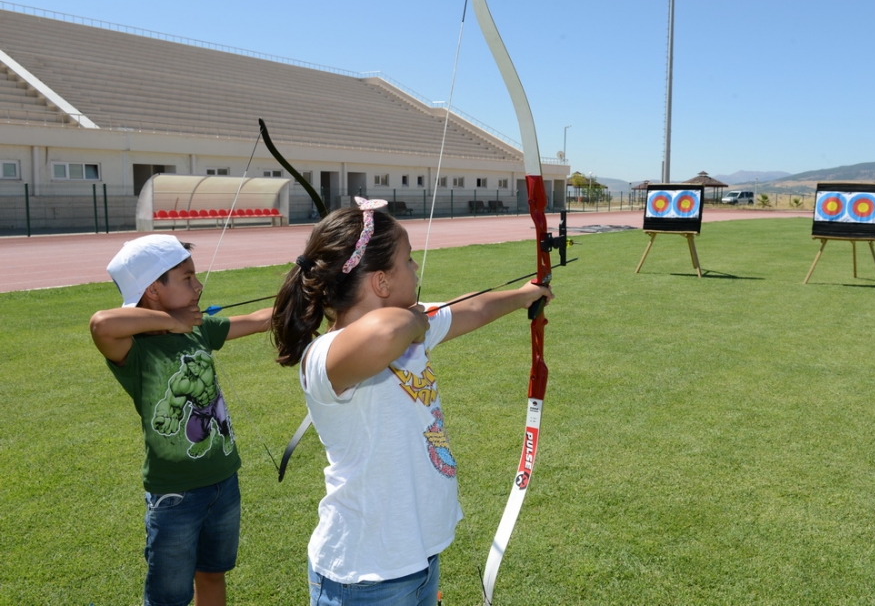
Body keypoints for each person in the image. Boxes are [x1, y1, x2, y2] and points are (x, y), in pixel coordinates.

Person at [271, 197, 553, 606]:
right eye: (408, 261)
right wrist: (420, 319)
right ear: (382, 282)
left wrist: (525, 294)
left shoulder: (408, 329)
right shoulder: (326, 357)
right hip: (365, 573)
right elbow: (386, 332)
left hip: (415, 558)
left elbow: (471, 308)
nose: (416, 269)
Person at [89, 234, 272, 606]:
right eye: (187, 278)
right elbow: (101, 323)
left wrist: (311, 298)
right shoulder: (136, 349)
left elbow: (257, 319)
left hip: (223, 480)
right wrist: (171, 321)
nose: (198, 285)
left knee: (212, 573)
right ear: (154, 289)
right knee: (169, 596)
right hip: (174, 494)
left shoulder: (199, 330)